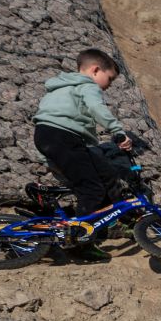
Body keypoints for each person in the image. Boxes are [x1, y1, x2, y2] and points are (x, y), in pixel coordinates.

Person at [32, 48, 134, 220]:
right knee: (92, 190)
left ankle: (112, 220)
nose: (109, 86)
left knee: (106, 172)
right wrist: (118, 132)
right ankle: (78, 240)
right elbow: (96, 108)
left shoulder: (58, 88)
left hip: (49, 136)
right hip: (64, 137)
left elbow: (46, 127)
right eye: (109, 79)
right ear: (95, 70)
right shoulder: (88, 86)